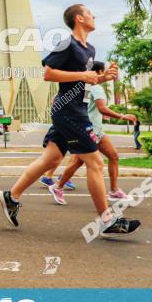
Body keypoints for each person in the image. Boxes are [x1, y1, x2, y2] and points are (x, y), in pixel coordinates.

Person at [0, 4, 141, 236]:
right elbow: (48, 73)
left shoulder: (90, 49)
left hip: (76, 109)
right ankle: (107, 220)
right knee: (95, 163)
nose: (94, 16)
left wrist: (105, 77)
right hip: (69, 112)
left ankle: (11, 196)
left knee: (51, 159)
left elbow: (86, 83)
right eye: (90, 13)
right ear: (79, 18)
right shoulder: (68, 44)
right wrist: (82, 75)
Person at [47, 61, 137, 205]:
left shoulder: (86, 86)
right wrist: (123, 116)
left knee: (112, 156)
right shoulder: (96, 88)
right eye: (105, 71)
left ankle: (114, 190)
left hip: (94, 129)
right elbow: (102, 108)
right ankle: (58, 186)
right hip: (90, 130)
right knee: (80, 161)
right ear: (101, 72)